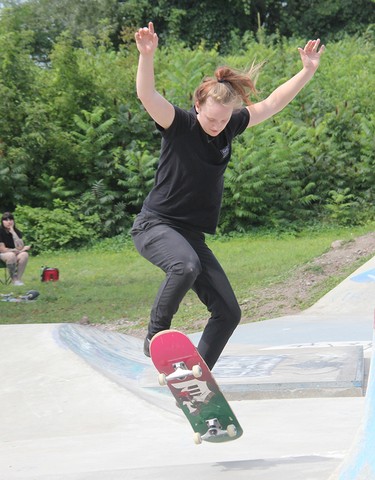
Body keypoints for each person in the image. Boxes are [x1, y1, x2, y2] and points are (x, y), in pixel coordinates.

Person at [132, 22, 325, 370]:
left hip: (191, 235)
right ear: (197, 106)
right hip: (155, 226)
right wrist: (147, 56)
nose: (218, 126)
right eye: (212, 119)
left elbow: (272, 103)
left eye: (224, 120)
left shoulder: (229, 126)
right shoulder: (179, 125)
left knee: (228, 311)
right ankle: (155, 337)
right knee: (184, 266)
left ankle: (196, 376)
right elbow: (147, 95)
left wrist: (306, 71)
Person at [0, 212, 31, 286]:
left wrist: (13, 232)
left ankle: (18, 280)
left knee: (24, 254)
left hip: (14, 253)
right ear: (2, 222)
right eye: (6, 220)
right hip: (2, 255)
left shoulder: (17, 231)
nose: (9, 222)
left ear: (13, 221)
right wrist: (18, 250)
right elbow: (2, 249)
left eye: (10, 219)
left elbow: (20, 246)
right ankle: (13, 279)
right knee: (11, 255)